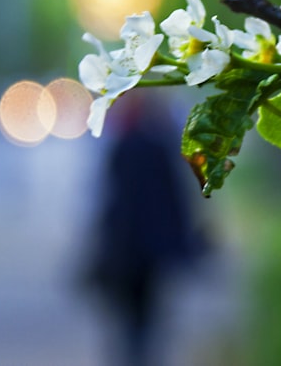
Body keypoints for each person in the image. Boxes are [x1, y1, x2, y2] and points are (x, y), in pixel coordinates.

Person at [79, 91, 209, 366]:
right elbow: (175, 199)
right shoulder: (154, 143)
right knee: (143, 321)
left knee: (133, 323)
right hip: (144, 250)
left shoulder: (121, 144)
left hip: (126, 251)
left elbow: (101, 201)